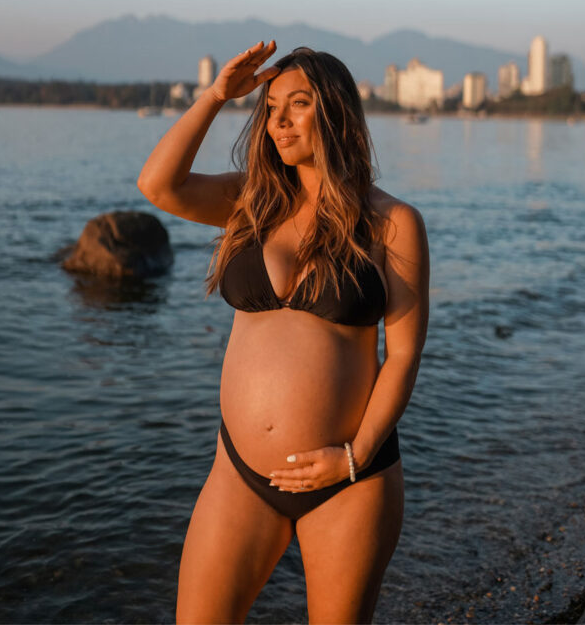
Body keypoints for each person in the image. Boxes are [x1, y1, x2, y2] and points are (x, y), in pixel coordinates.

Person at [137, 41, 429, 624]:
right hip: (240, 473)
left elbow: (402, 355)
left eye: (297, 104)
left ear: (337, 113)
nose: (279, 121)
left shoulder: (392, 222)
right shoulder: (251, 201)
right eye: (271, 108)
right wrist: (218, 96)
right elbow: (158, 185)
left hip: (349, 480)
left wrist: (353, 457)